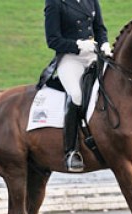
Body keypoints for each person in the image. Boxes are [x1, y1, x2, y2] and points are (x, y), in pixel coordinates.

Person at [44, 0, 112, 172]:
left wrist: (104, 43)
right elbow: (52, 40)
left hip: (92, 56)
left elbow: (100, 29)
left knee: (112, 86)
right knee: (76, 95)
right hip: (70, 58)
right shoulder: (55, 3)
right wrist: (77, 45)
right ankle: (71, 151)